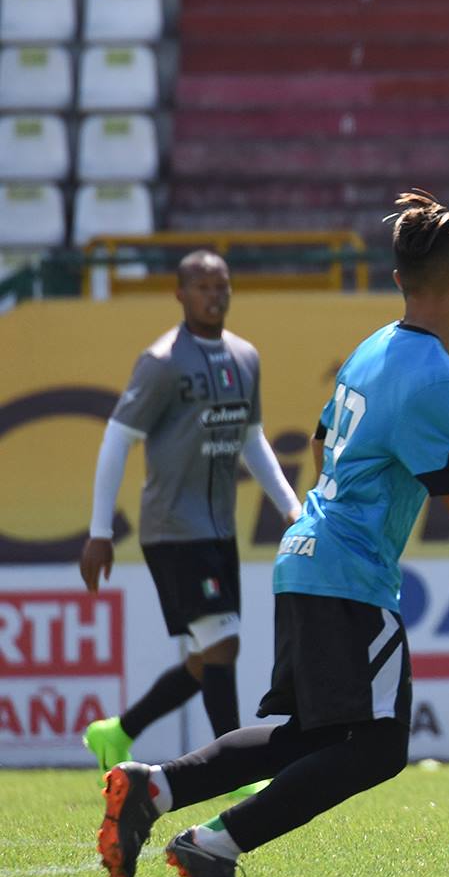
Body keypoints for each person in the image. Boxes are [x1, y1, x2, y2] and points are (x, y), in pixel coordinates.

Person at [95, 192, 449, 877]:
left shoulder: (373, 346)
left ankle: (155, 787)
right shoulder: (433, 376)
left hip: (305, 558)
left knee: (311, 737)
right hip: (347, 575)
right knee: (379, 746)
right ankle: (213, 843)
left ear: (398, 279)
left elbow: (321, 442)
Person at [80, 251, 300, 781]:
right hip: (174, 530)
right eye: (202, 287)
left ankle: (118, 731)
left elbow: (250, 439)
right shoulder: (161, 362)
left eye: (222, 285)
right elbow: (117, 439)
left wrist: (290, 506)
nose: (214, 295)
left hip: (219, 529)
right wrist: (99, 532)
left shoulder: (245, 357)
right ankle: (235, 769)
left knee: (208, 653)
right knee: (223, 644)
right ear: (179, 294)